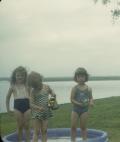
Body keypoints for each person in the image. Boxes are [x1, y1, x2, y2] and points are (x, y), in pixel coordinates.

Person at [27, 71, 56, 142]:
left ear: (40, 79)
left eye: (38, 84)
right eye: (35, 86)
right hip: (37, 113)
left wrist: (51, 103)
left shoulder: (46, 87)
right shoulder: (33, 91)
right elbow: (30, 104)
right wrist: (38, 108)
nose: (38, 87)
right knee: (36, 131)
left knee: (44, 131)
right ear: (32, 85)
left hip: (46, 112)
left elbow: (53, 94)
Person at [6, 66, 31, 142]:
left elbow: (31, 97)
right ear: (15, 76)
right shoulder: (13, 87)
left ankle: (28, 140)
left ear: (25, 76)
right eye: (18, 75)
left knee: (27, 126)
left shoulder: (27, 86)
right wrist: (8, 109)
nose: (20, 77)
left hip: (27, 106)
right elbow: (7, 98)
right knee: (19, 126)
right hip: (17, 107)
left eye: (22, 76)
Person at [70, 67, 94, 142]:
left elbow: (91, 97)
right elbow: (71, 99)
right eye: (79, 77)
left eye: (82, 76)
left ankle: (84, 140)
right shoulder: (74, 88)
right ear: (76, 78)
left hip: (84, 110)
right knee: (73, 126)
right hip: (75, 110)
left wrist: (91, 102)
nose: (80, 78)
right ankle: (73, 140)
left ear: (85, 77)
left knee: (83, 127)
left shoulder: (88, 88)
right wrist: (79, 104)